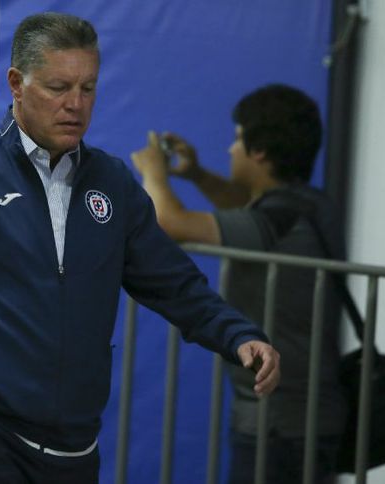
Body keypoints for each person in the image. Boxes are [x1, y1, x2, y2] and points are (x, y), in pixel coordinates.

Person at [0, 12, 280, 483]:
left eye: (88, 88)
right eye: (58, 87)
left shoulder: (113, 182)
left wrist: (237, 335)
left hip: (75, 450)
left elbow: (174, 283)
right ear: (16, 84)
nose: (75, 105)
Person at [131, 84, 347, 484]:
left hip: (280, 422)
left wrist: (153, 172)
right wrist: (196, 174)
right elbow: (243, 210)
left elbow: (168, 222)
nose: (231, 149)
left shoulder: (281, 219)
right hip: (303, 416)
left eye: (237, 139)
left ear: (259, 150)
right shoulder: (305, 206)